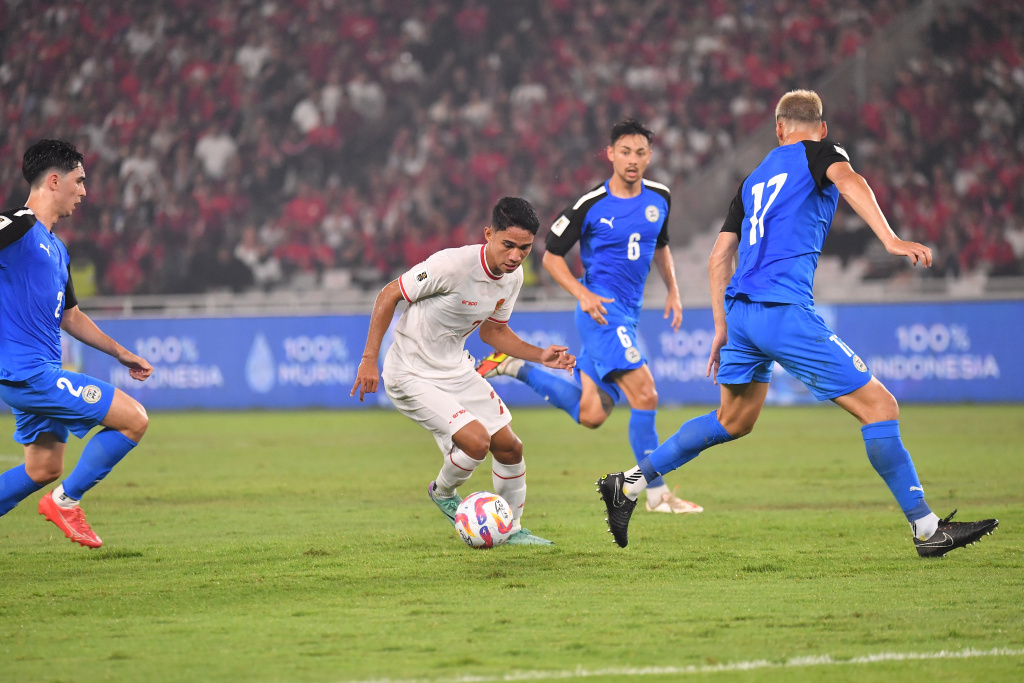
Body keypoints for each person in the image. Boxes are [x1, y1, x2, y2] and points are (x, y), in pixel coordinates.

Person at [597, 91, 998, 558]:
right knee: (881, 407)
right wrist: (889, 239)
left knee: (732, 420)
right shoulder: (822, 154)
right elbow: (850, 181)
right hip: (782, 310)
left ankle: (627, 483)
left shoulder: (752, 180)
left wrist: (723, 328)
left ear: (778, 129)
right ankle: (927, 530)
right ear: (822, 129)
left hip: (742, 314)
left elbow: (717, 258)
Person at [476, 119, 701, 515]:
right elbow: (551, 256)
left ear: (650, 156)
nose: (633, 160)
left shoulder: (660, 198)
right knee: (645, 393)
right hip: (601, 314)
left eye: (641, 153)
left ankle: (513, 366)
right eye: (625, 152)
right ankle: (654, 495)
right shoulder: (590, 204)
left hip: (628, 315)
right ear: (611, 154)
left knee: (593, 414)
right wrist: (583, 293)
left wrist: (674, 291)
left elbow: (660, 246)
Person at [351, 197, 576, 546]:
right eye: (509, 245)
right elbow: (388, 294)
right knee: (476, 441)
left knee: (509, 447)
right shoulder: (452, 265)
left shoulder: (511, 278)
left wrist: (540, 355)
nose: (516, 256)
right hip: (410, 372)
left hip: (455, 368)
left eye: (525, 248)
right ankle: (442, 493)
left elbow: (493, 332)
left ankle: (512, 531)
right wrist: (368, 359)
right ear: (489, 234)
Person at [0, 139, 153, 548]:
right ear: (54, 180)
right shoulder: (17, 226)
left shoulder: (57, 248)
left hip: (38, 372)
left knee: (43, 467)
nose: (84, 192)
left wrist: (122, 354)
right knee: (134, 419)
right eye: (79, 181)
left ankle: (58, 492)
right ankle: (66, 502)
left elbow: (71, 316)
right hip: (27, 374)